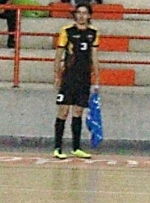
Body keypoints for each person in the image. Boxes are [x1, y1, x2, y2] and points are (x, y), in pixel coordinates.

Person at [53, 1, 100, 159]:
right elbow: (59, 55)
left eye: (84, 13)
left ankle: (76, 147)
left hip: (84, 77)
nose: (81, 16)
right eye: (79, 12)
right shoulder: (67, 31)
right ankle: (58, 147)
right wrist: (57, 75)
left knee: (78, 111)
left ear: (89, 15)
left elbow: (94, 56)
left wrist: (96, 78)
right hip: (69, 76)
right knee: (63, 111)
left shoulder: (93, 32)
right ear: (75, 14)